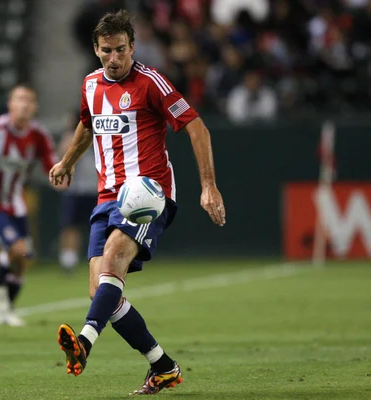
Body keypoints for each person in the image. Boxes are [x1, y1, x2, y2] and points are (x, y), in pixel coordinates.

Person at [49, 10, 226, 395]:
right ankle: (162, 366)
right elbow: (88, 123)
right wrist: (67, 161)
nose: (116, 58)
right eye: (108, 51)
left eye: (123, 50)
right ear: (96, 49)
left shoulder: (151, 83)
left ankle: (83, 343)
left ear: (133, 47)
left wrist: (208, 186)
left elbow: (196, 127)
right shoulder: (91, 85)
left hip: (147, 195)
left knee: (112, 261)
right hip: (107, 195)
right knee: (103, 294)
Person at [0, 84, 58, 327]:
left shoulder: (38, 135)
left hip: (15, 201)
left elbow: (51, 164)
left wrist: (60, 176)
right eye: (19, 99)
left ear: (35, 107)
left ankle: (7, 307)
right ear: (10, 104)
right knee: (17, 248)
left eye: (29, 100)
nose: (24, 104)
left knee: (22, 258)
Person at [57, 110, 98, 273]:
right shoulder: (71, 138)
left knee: (99, 225)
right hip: (76, 188)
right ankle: (69, 259)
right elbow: (62, 155)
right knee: (71, 225)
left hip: (96, 189)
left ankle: (99, 258)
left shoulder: (100, 135)